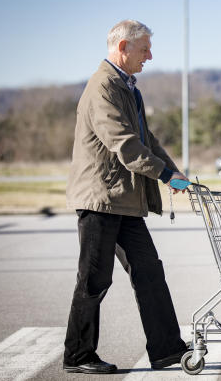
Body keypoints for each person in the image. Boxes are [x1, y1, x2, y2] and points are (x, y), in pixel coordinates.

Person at [63, 20, 189, 374]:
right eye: (144, 48)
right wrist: (163, 175)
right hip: (100, 200)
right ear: (123, 48)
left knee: (149, 272)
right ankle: (77, 355)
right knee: (94, 279)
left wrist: (175, 173)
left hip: (125, 200)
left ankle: (166, 349)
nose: (150, 55)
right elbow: (125, 145)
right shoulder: (102, 88)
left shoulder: (128, 88)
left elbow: (148, 141)